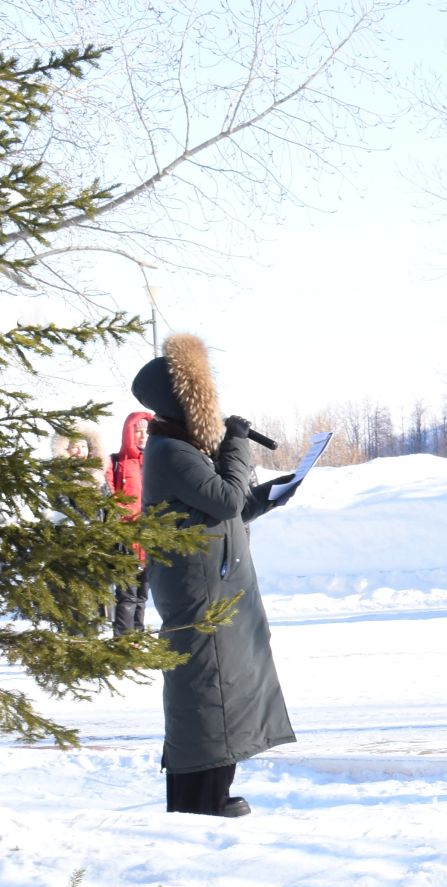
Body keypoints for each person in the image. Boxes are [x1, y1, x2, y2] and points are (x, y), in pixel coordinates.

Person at [133, 335, 296, 818]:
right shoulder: (169, 452)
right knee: (208, 688)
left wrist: (270, 494)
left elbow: (227, 506)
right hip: (200, 593)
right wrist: (237, 443)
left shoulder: (180, 449)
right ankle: (199, 802)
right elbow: (225, 499)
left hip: (213, 585)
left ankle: (208, 794)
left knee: (223, 686)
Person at [107, 411, 153, 635]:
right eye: (138, 431)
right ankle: (124, 641)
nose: (143, 436)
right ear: (129, 433)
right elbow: (108, 497)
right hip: (125, 536)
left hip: (152, 537)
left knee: (143, 594)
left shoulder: (158, 461)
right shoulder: (117, 462)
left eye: (147, 431)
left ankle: (138, 637)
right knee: (127, 594)